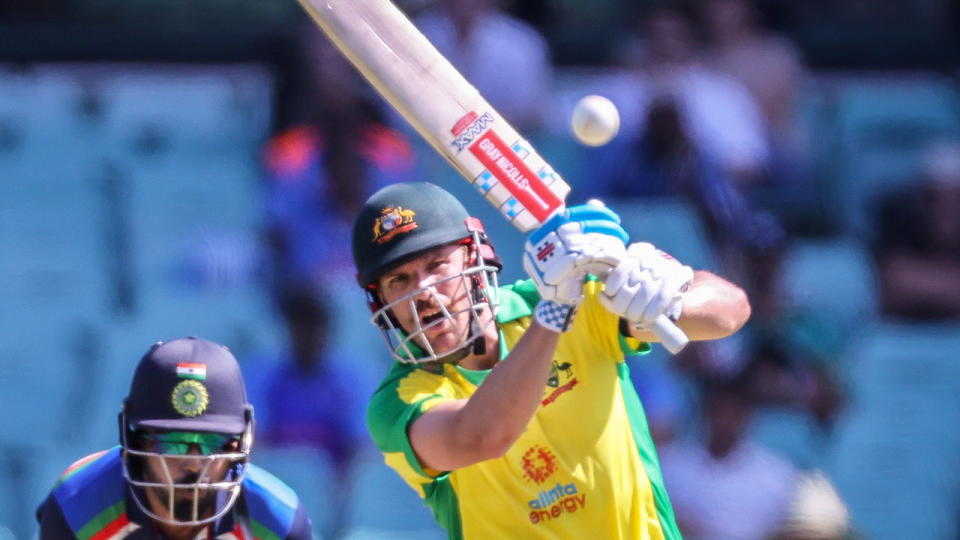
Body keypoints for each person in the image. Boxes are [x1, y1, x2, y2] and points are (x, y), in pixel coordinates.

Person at [350, 181, 751, 538]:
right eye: (397, 279)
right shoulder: (397, 403)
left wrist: (665, 297)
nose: (422, 291)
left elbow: (732, 311)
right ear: (380, 300)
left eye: (436, 265)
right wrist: (555, 313)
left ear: (474, 260)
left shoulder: (573, 300)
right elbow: (481, 435)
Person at [36, 337, 313, 539]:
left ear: (238, 444)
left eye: (211, 443)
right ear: (137, 442)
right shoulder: (77, 509)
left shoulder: (279, 523)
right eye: (173, 441)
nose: (193, 464)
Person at [658, 375, 799, 540]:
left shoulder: (777, 475)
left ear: (747, 416)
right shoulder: (669, 465)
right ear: (705, 413)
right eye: (719, 411)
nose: (724, 421)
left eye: (734, 413)